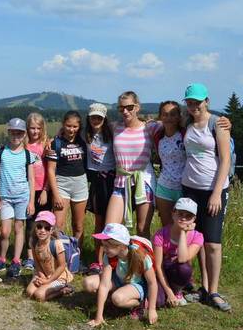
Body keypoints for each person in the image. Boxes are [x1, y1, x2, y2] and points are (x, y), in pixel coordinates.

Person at [181, 83, 232, 312]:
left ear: (207, 101)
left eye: (197, 102)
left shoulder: (218, 124)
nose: (194, 106)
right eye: (190, 102)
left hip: (212, 190)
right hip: (190, 188)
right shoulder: (187, 123)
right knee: (198, 240)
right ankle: (203, 287)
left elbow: (225, 160)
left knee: (213, 242)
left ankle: (214, 291)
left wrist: (216, 193)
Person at [105, 91, 161, 239]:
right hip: (121, 182)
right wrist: (59, 133)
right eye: (121, 108)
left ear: (137, 107)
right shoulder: (115, 127)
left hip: (144, 180)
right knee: (110, 228)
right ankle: (118, 254)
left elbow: (172, 125)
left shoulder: (149, 128)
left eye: (129, 107)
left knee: (142, 229)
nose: (125, 111)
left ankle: (143, 254)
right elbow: (91, 129)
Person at [83, 223, 158, 327]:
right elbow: (104, 285)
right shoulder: (109, 255)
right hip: (119, 279)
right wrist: (98, 317)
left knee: (117, 298)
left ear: (121, 246)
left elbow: (152, 283)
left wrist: (152, 309)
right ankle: (110, 300)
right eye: (103, 245)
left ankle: (140, 304)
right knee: (88, 283)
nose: (104, 249)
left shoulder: (141, 257)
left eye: (107, 246)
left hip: (137, 284)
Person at [0, 118, 36, 279]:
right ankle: (2, 258)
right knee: (5, 231)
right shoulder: (0, 152)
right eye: (13, 133)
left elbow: (31, 179)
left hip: (22, 196)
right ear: (8, 133)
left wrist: (31, 201)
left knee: (19, 228)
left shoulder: (27, 155)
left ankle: (16, 260)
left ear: (24, 135)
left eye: (19, 133)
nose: (16, 136)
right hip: (5, 197)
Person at [47, 110, 89, 249]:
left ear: (79, 127)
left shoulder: (83, 140)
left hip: (80, 184)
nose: (71, 129)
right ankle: (58, 254)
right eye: (68, 126)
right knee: (58, 225)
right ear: (63, 125)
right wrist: (56, 194)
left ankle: (76, 255)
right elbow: (51, 170)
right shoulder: (56, 143)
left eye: (75, 126)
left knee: (78, 225)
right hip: (62, 185)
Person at [82, 103, 116, 275]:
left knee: (112, 223)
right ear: (89, 118)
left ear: (104, 118)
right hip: (96, 179)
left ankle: (113, 259)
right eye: (93, 117)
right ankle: (98, 260)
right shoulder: (85, 134)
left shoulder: (111, 133)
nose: (96, 120)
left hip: (111, 178)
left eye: (99, 118)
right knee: (99, 222)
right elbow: (67, 133)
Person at [153, 198, 203, 308]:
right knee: (158, 302)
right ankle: (168, 291)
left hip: (178, 272)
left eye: (188, 216)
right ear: (173, 213)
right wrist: (168, 292)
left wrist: (183, 233)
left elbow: (182, 259)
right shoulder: (160, 234)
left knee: (184, 267)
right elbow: (158, 266)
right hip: (162, 273)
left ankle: (177, 291)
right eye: (180, 214)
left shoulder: (198, 236)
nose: (183, 218)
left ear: (194, 219)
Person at [24, 112, 52, 272]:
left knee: (44, 223)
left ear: (42, 129)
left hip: (43, 190)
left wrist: (46, 190)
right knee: (30, 225)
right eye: (32, 128)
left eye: (38, 128)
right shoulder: (24, 146)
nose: (35, 131)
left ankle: (44, 252)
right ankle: (29, 256)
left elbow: (50, 170)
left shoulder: (46, 145)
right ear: (27, 129)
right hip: (28, 190)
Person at [26, 211, 75, 302]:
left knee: (39, 295)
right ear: (35, 227)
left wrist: (48, 281)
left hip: (58, 277)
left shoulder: (56, 244)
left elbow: (62, 266)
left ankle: (63, 290)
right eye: (39, 226)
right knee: (29, 293)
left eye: (47, 228)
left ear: (52, 230)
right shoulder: (34, 243)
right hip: (42, 273)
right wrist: (42, 276)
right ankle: (45, 287)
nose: (42, 230)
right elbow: (37, 263)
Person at [154, 101, 187, 227]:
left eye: (173, 114)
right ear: (160, 116)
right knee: (167, 228)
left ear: (179, 116)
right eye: (165, 114)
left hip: (184, 188)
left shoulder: (185, 134)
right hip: (164, 188)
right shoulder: (158, 137)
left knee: (184, 227)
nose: (169, 118)